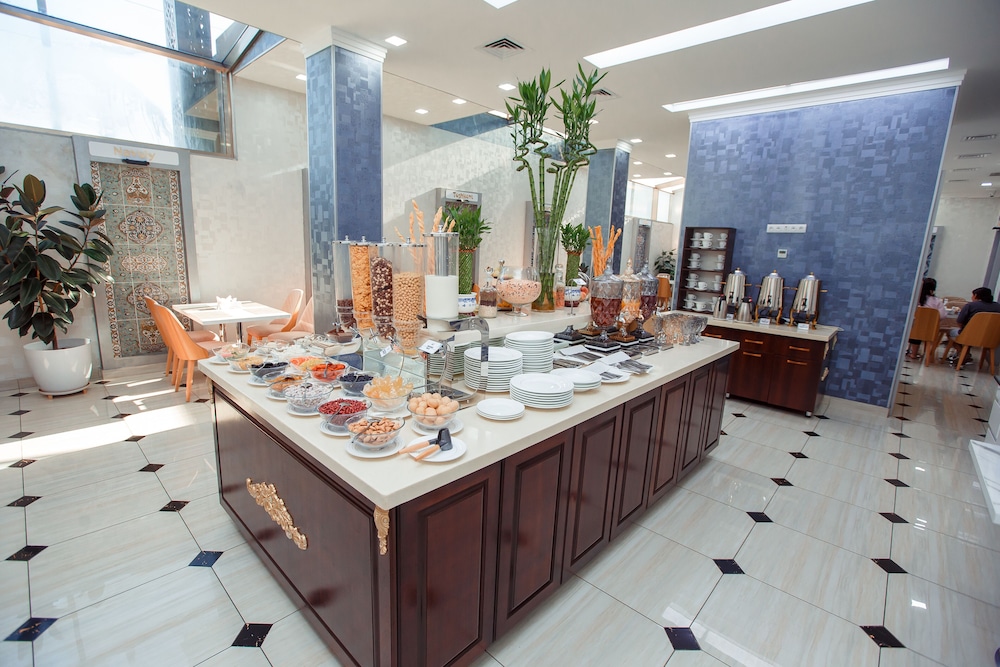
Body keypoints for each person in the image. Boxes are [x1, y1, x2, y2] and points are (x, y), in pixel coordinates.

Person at [946, 287, 1000, 365]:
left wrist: (965, 329)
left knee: (950, 333)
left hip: (969, 335)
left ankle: (963, 353)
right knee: (967, 335)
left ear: (976, 295)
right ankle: (965, 354)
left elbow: (959, 321)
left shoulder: (970, 305)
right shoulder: (998, 306)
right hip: (990, 338)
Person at [906, 278, 947, 359]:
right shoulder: (937, 301)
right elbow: (942, 316)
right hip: (930, 331)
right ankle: (922, 354)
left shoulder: (914, 299)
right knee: (922, 328)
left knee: (916, 327)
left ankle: (912, 352)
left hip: (913, 330)